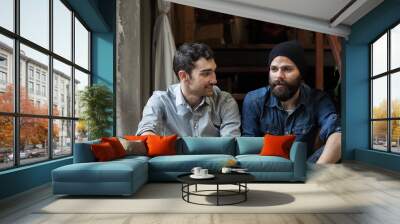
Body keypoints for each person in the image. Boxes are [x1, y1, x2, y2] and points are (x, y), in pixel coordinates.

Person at [242, 40, 341, 164]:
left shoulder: (317, 100)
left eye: (287, 69)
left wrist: (316, 176)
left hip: (306, 169)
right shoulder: (254, 100)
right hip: (266, 168)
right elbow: (248, 147)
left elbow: (337, 134)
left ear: (301, 74)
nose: (279, 76)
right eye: (274, 69)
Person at [136, 42, 241, 137]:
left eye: (214, 71)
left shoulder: (225, 101)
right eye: (206, 74)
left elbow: (231, 144)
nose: (214, 80)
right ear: (183, 76)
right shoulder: (160, 101)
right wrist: (150, 138)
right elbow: (146, 132)